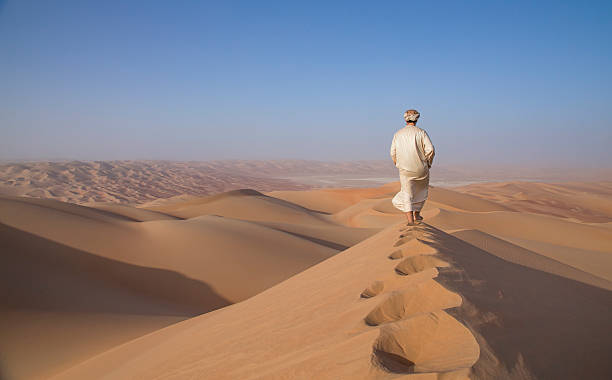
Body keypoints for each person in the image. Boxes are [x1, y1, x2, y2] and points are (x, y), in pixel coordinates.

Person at [389, 109, 435, 225]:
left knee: (407, 193)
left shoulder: (398, 134)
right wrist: (428, 163)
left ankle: (410, 221)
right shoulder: (421, 132)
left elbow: (392, 153)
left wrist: (398, 163)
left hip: (405, 169)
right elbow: (430, 150)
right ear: (417, 119)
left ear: (405, 119)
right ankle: (417, 214)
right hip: (421, 168)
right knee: (422, 190)